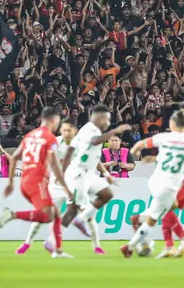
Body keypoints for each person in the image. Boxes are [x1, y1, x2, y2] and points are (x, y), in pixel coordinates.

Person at [122, 111, 184, 258]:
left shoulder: (164, 137)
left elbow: (141, 144)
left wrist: (133, 152)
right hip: (169, 187)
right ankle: (133, 246)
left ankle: (148, 242)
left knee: (155, 214)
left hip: (155, 181)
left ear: (172, 124)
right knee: (154, 218)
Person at [0, 107, 73, 258]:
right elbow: (53, 164)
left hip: (25, 181)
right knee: (48, 217)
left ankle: (57, 250)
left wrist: (11, 182)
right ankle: (12, 214)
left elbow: (14, 157)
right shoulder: (50, 138)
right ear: (54, 120)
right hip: (38, 181)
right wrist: (66, 187)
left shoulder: (29, 135)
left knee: (56, 214)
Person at [61, 104, 131, 255]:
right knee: (72, 211)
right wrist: (116, 131)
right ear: (100, 119)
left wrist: (106, 174)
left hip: (87, 174)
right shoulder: (90, 130)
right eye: (107, 119)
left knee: (106, 194)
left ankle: (83, 226)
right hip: (78, 174)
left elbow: (75, 152)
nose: (108, 123)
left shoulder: (88, 131)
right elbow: (94, 141)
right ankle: (55, 240)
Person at [17, 118, 91, 255]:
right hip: (55, 184)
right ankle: (27, 242)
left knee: (76, 210)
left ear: (75, 130)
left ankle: (52, 242)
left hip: (73, 183)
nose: (66, 132)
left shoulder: (81, 145)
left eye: (69, 130)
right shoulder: (55, 142)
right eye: (64, 129)